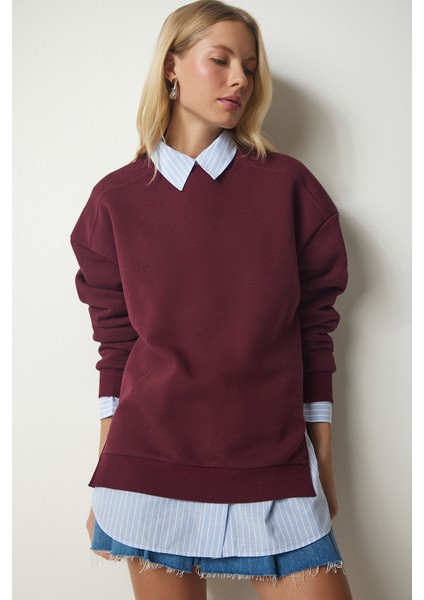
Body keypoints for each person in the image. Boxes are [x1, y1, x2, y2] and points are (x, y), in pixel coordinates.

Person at [70, 1, 353, 598]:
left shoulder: (289, 187)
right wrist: (107, 471)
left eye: (249, 66)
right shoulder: (115, 200)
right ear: (171, 67)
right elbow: (116, 345)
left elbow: (314, 330)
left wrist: (322, 462)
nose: (240, 80)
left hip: (273, 464)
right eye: (220, 60)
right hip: (147, 467)